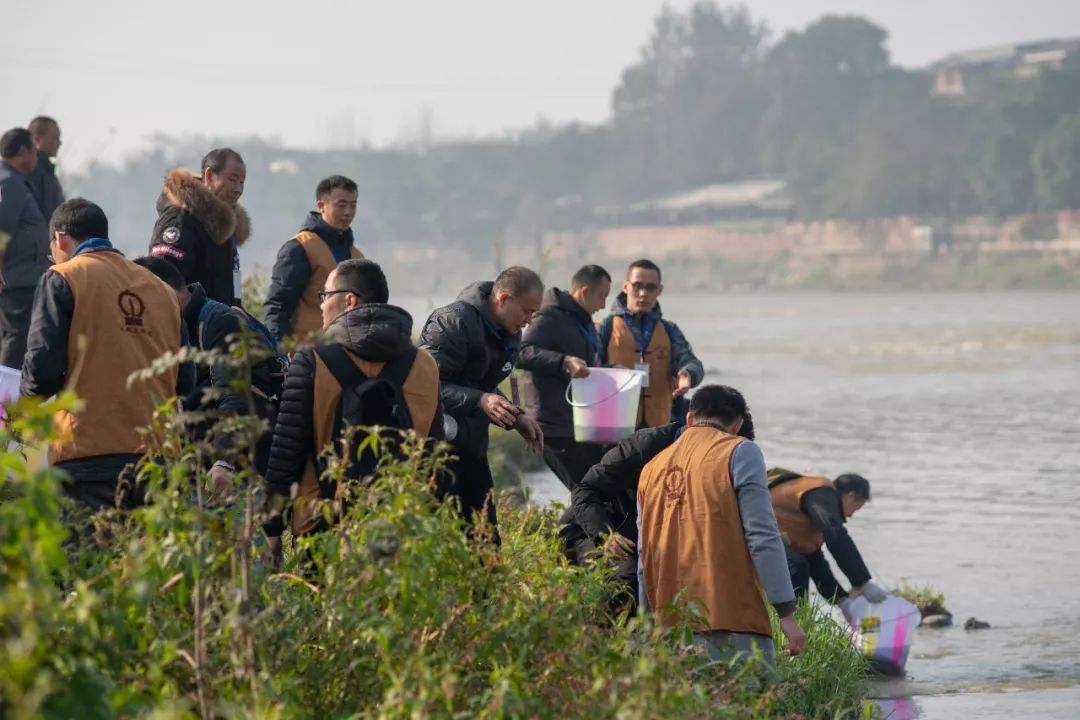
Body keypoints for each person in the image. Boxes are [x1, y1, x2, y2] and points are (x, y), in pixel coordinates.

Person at [20, 199, 193, 511]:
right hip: (158, 459)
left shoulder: (63, 277)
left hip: (87, 455)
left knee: (91, 544)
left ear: (60, 239)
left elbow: (42, 372)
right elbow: (185, 381)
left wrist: (19, 411)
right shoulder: (163, 291)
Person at [263, 259, 443, 555]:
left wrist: (272, 529)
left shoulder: (311, 360)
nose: (321, 306)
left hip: (322, 526)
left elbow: (287, 449)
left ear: (349, 300)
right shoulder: (426, 364)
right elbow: (436, 456)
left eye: (325, 295)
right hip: (403, 528)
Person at [637, 385, 805, 664]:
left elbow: (644, 555)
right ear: (737, 424)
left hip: (670, 627)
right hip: (733, 622)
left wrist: (648, 625)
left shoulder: (651, 468)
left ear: (690, 419)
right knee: (748, 692)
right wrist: (786, 614)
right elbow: (762, 536)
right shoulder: (741, 451)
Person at [134, 256, 284, 487]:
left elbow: (234, 395)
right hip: (200, 469)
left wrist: (224, 461)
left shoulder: (218, 322)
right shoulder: (175, 328)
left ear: (164, 291)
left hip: (238, 471)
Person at [419, 266, 545, 541]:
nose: (529, 321)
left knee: (486, 542)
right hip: (435, 451)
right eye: (527, 311)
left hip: (473, 448)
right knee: (437, 541)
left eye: (534, 313)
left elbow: (485, 385)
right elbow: (427, 386)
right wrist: (480, 400)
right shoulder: (451, 322)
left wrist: (516, 417)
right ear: (503, 298)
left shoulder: (510, 331)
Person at [517, 264, 611, 490]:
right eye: (602, 296)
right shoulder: (548, 316)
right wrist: (563, 361)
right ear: (585, 292)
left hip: (581, 422)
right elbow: (521, 353)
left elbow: (585, 365)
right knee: (585, 491)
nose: (603, 305)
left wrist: (608, 368)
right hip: (553, 425)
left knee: (599, 488)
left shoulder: (584, 320)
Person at [599, 259, 703, 429]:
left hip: (659, 426)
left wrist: (687, 375)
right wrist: (612, 370)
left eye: (650, 287)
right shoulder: (604, 327)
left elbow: (692, 362)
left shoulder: (670, 330)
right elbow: (589, 367)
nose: (643, 293)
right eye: (637, 286)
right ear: (625, 286)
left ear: (659, 290)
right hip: (615, 425)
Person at [768, 468, 887, 617]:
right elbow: (836, 536)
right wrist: (863, 583)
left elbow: (815, 561)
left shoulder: (813, 513)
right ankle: (792, 621)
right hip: (753, 536)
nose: (851, 515)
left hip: (772, 540)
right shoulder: (822, 493)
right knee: (796, 566)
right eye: (856, 508)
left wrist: (842, 600)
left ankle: (798, 622)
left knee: (801, 563)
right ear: (850, 496)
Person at [263, 175, 365, 343]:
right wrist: (277, 351)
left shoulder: (357, 256)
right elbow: (279, 305)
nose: (348, 212)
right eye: (341, 205)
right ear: (321, 205)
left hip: (346, 350)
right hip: (305, 350)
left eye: (353, 205)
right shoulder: (300, 247)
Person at [149, 148, 250, 305]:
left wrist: (236, 311)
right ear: (209, 176)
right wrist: (205, 314)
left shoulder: (224, 228)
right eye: (232, 179)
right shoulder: (181, 219)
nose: (238, 189)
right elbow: (164, 285)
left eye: (242, 182)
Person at [0, 128, 50, 369]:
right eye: (34, 152)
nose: (36, 158)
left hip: (23, 277)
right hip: (17, 279)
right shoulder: (8, 183)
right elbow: (2, 232)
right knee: (17, 338)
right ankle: (5, 391)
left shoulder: (14, 181)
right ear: (23, 151)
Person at [26, 116, 64, 222]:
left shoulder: (46, 170)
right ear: (37, 139)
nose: (59, 143)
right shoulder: (34, 170)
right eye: (55, 138)